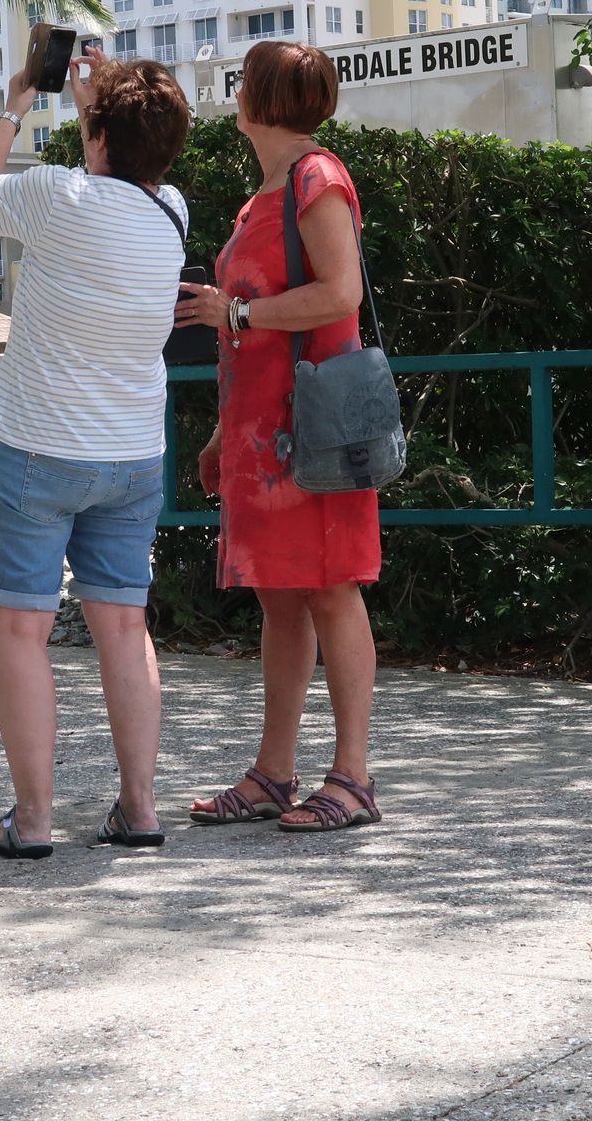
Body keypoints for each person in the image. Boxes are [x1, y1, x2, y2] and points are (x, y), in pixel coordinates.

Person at [0, 51, 193, 858]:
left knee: (21, 632)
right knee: (124, 628)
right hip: (132, 454)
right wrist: (108, 107)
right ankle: (140, 809)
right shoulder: (173, 212)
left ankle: (31, 822)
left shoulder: (58, 195)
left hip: (37, 448)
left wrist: (18, 104)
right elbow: (127, 165)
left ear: (95, 131)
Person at [174, 41, 384, 833]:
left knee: (332, 589)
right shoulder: (262, 194)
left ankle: (353, 778)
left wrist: (235, 311)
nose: (234, 94)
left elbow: (340, 293)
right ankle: (273, 771)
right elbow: (257, 334)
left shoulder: (316, 177)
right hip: (264, 432)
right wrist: (222, 434)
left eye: (243, 83)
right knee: (281, 597)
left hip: (314, 430)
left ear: (258, 99)